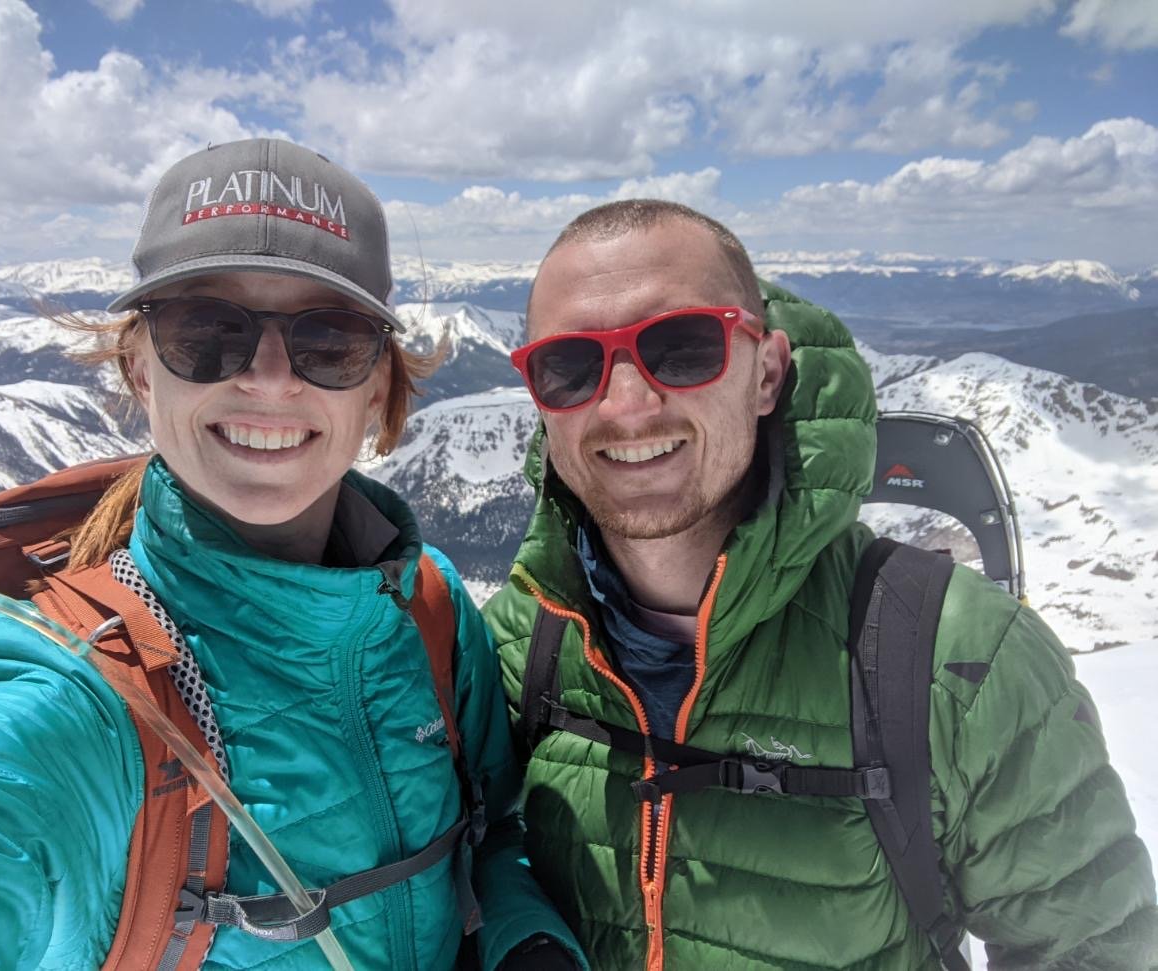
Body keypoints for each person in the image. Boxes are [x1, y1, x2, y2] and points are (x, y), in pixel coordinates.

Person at [0, 138, 584, 971]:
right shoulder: (75, 684)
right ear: (140, 369)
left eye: (330, 340)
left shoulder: (424, 603)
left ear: (378, 384)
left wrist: (526, 943)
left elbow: (495, 832)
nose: (271, 378)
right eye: (207, 332)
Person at [483, 199, 1158, 969]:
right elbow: (464, 858)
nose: (627, 404)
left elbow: (1090, 948)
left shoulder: (959, 663)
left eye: (682, 348)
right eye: (570, 366)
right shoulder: (515, 647)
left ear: (766, 371)